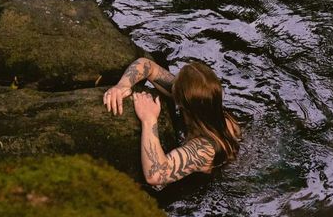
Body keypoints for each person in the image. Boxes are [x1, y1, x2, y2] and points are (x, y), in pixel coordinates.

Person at [103, 57, 240, 188]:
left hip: (210, 186)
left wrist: (149, 119)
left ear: (183, 103)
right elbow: (147, 65)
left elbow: (156, 175)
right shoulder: (214, 112)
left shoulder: (204, 149)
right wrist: (123, 85)